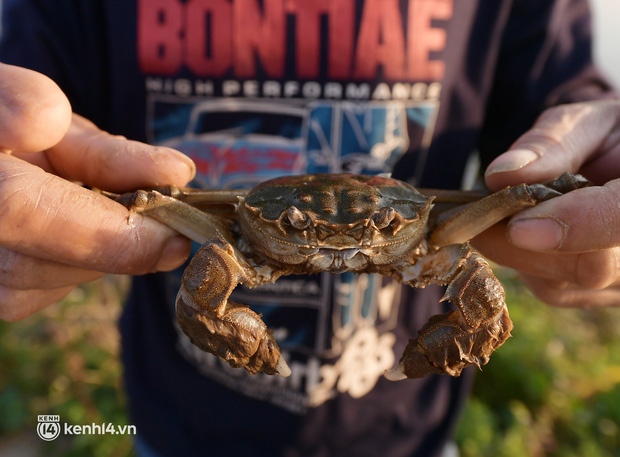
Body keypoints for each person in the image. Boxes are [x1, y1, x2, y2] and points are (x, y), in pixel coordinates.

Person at [0, 1, 618, 456]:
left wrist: (587, 165)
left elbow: (563, 128)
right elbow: (34, 121)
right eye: (308, 231)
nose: (340, 247)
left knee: (485, 291)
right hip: (178, 429)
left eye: (367, 231)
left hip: (411, 436)